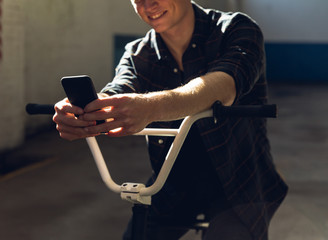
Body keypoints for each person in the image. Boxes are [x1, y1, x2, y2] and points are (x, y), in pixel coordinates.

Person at [53, 0, 288, 239]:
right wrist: (89, 109)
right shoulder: (138, 53)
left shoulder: (236, 28)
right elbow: (119, 89)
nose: (149, 4)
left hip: (241, 180)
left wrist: (151, 107)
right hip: (173, 182)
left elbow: (224, 84)